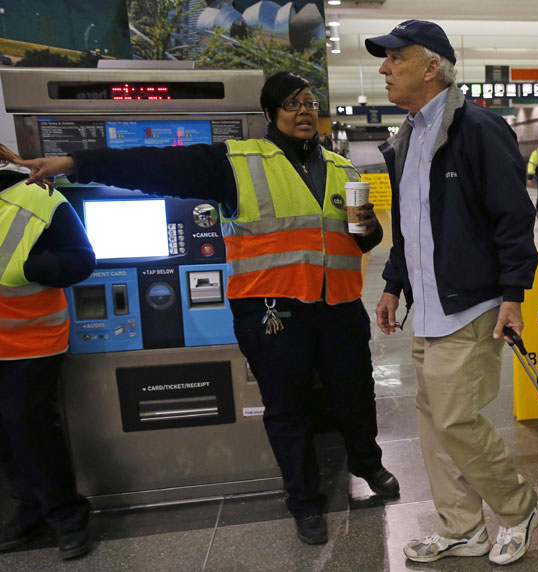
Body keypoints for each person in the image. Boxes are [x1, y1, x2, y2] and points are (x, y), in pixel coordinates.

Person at [18, 72, 399, 546]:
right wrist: (75, 163)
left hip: (338, 306)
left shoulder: (343, 169)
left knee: (355, 394)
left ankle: (367, 463)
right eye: (291, 104)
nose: (303, 111)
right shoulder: (236, 163)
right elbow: (155, 166)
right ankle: (304, 501)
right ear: (269, 114)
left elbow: (363, 240)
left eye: (308, 102)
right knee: (288, 408)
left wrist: (368, 229)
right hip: (271, 311)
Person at [366, 20, 538, 567]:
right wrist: (393, 285)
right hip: (427, 305)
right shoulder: (408, 136)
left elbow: (513, 217)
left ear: (431, 67)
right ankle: (462, 528)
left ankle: (520, 507)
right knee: (433, 422)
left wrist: (513, 293)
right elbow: (410, 226)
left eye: (395, 58)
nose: (384, 69)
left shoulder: (479, 129)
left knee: (453, 419)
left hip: (470, 304)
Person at [0, 146, 95, 560]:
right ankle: (29, 508)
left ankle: (66, 516)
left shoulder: (36, 196)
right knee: (6, 433)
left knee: (28, 428)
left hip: (29, 340)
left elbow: (81, 260)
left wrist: (27, 267)